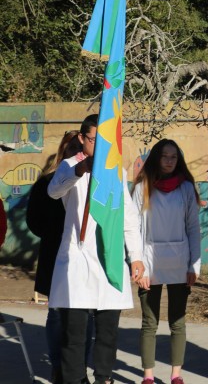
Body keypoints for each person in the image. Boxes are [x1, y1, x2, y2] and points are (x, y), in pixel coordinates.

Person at [48, 114, 145, 384]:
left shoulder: (116, 172)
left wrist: (136, 256)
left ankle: (104, 378)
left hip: (108, 257)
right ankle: (75, 379)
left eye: (105, 140)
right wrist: (82, 169)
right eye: (94, 140)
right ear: (82, 139)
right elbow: (54, 191)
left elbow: (128, 217)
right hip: (78, 260)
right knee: (74, 334)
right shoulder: (70, 166)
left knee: (107, 331)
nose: (99, 146)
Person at [131, 139, 201, 384]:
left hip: (179, 263)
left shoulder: (186, 188)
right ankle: (148, 376)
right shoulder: (143, 187)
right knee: (149, 322)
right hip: (149, 263)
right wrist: (138, 264)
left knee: (177, 322)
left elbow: (193, 228)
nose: (170, 161)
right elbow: (134, 228)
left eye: (174, 157)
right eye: (165, 156)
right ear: (156, 158)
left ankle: (176, 374)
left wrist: (194, 265)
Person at [27, 131, 91, 384]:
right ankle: (58, 368)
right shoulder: (47, 182)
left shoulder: (93, 180)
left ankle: (80, 368)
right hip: (55, 255)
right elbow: (33, 220)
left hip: (84, 256)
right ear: (63, 151)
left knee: (86, 314)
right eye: (71, 147)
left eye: (80, 147)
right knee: (56, 314)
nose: (76, 152)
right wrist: (56, 234)